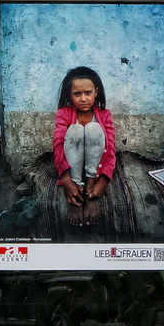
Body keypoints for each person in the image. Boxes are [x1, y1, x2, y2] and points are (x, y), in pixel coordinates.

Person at [52, 65, 116, 226]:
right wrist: (66, 180)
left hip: (95, 170)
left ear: (96, 92)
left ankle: (90, 192)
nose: (83, 98)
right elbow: (59, 145)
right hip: (73, 167)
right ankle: (76, 200)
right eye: (77, 94)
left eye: (88, 93)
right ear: (70, 95)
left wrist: (102, 181)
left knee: (93, 128)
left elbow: (111, 148)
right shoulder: (64, 114)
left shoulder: (104, 114)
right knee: (75, 130)